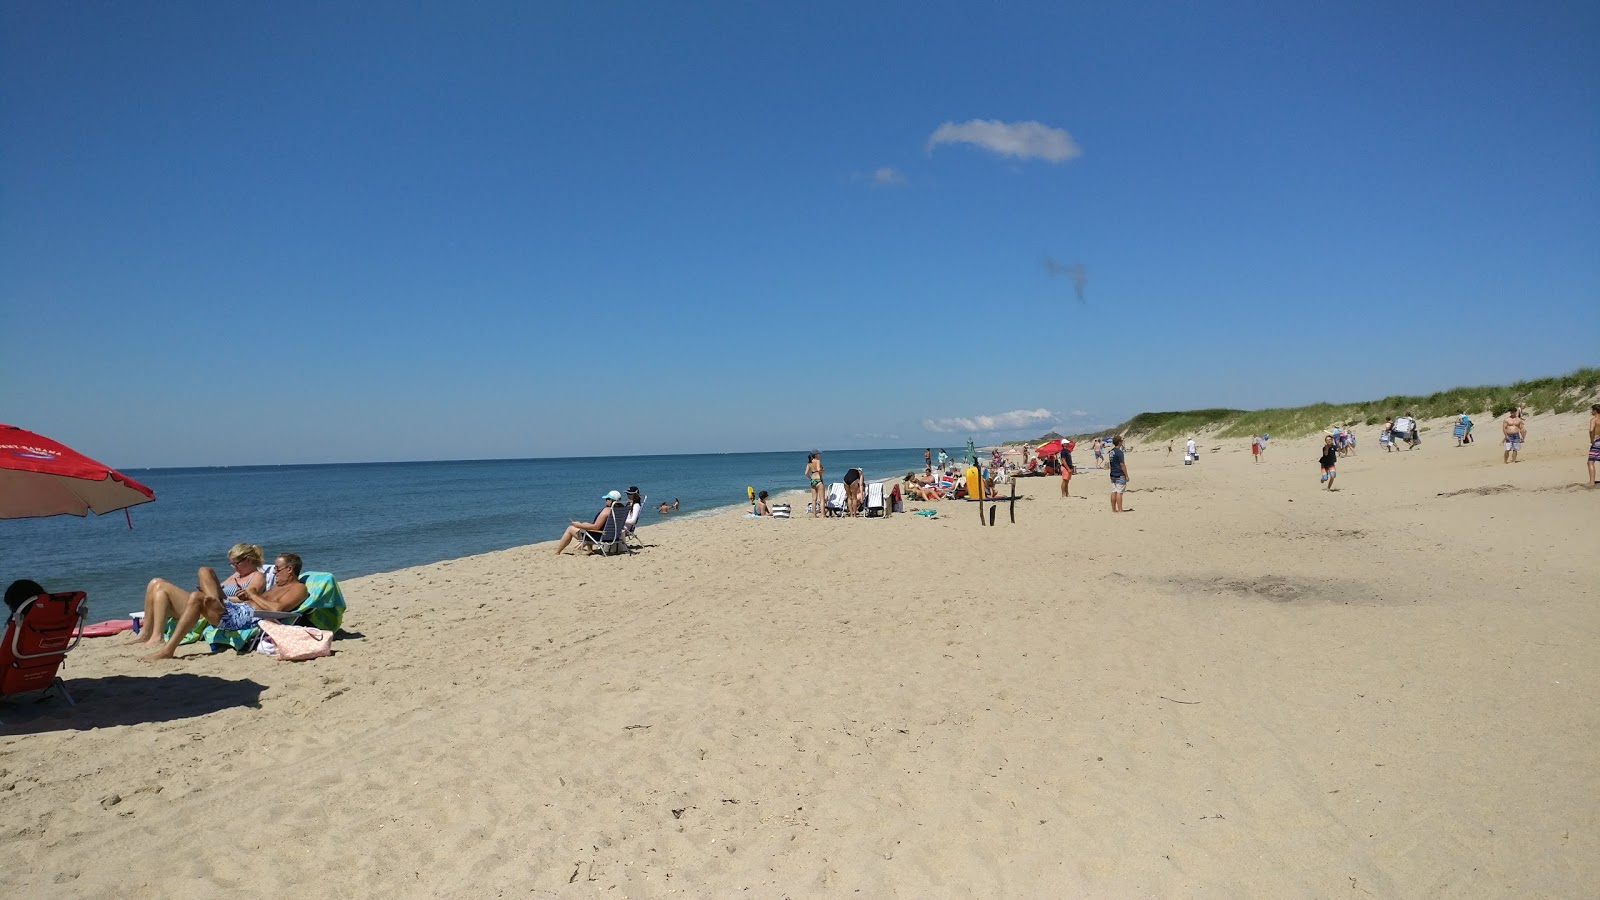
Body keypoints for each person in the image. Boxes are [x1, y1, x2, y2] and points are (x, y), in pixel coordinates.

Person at [140, 553, 310, 661]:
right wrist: (244, 597)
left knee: (196, 597)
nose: (273, 572)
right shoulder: (277, 586)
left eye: (277, 569)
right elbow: (256, 600)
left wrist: (253, 594)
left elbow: (277, 609)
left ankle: (168, 649)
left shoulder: (298, 588)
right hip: (237, 608)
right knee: (204, 570)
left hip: (245, 618)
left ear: (289, 569)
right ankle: (214, 600)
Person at [133, 543, 274, 645]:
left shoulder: (257, 576)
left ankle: (156, 637)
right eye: (231, 564)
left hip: (222, 610)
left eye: (235, 563)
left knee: (204, 570)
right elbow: (218, 590)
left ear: (248, 560)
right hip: (210, 604)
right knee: (156, 583)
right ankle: (148, 634)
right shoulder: (235, 575)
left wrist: (224, 598)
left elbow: (250, 599)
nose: (233, 567)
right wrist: (207, 591)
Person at [555, 491, 621, 554]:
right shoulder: (620, 510)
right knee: (585, 523)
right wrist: (582, 524)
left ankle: (557, 552)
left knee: (570, 529)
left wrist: (578, 525)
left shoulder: (606, 511)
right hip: (613, 536)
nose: (606, 500)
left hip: (600, 536)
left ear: (611, 500)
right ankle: (590, 550)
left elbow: (596, 527)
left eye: (607, 499)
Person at [1107, 435, 1130, 512]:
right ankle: (1120, 509)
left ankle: (1114, 509)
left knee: (1114, 491)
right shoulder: (1119, 452)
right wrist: (1126, 475)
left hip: (1113, 474)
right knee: (1119, 492)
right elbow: (1122, 465)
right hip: (1119, 474)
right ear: (1119, 442)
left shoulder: (1111, 452)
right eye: (1121, 440)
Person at [805, 452, 824, 518]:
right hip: (818, 480)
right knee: (822, 499)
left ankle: (814, 515)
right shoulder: (817, 461)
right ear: (815, 455)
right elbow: (818, 469)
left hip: (813, 480)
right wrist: (822, 470)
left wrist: (810, 478)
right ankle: (822, 514)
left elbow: (806, 473)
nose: (819, 455)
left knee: (814, 499)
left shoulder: (809, 463)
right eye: (818, 453)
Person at [1587, 404, 1600, 486]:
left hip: (1597, 442)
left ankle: (1592, 482)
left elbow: (1591, 430)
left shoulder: (1594, 420)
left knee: (1590, 462)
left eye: (1592, 410)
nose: (1591, 412)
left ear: (1595, 411)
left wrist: (1592, 440)